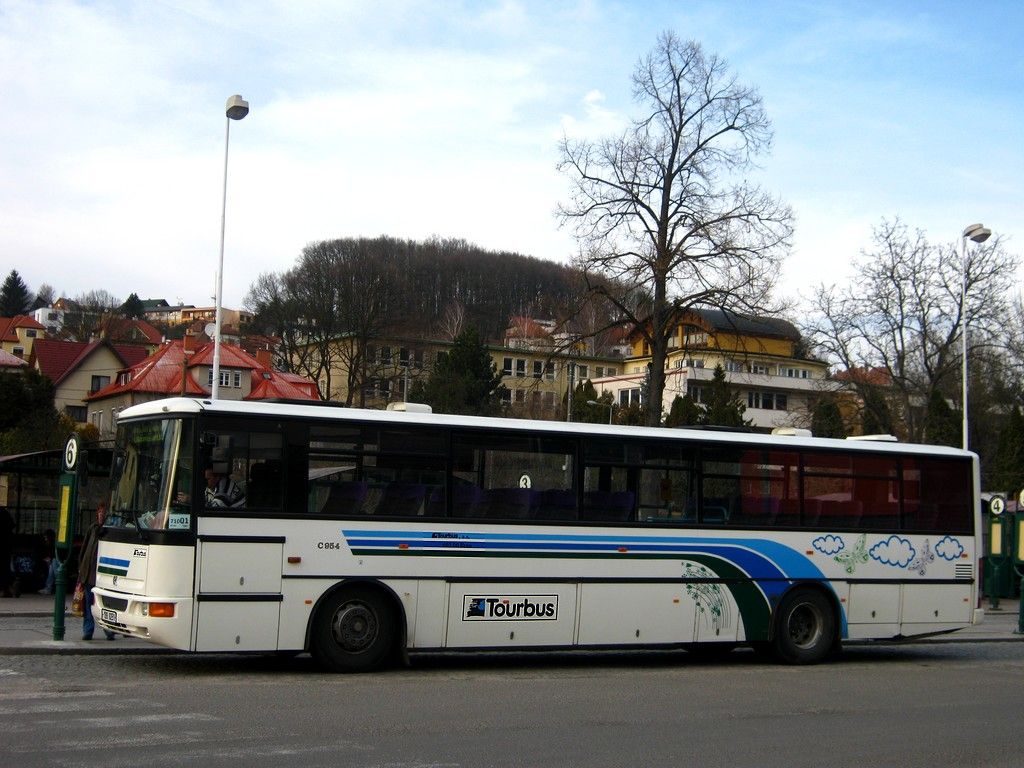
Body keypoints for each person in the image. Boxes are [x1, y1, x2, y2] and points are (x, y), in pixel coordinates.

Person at [78, 502, 114, 640]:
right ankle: (88, 630)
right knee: (88, 603)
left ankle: (109, 630)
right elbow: (85, 548)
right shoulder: (92, 528)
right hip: (89, 572)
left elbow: (102, 533)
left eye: (104, 512)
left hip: (101, 575)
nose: (101, 514)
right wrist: (81, 568)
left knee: (104, 604)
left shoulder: (108, 529)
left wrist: (101, 523)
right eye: (100, 511)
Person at [0, 505, 15, 598]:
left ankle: (4, 589)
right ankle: (6, 589)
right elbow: (12, 525)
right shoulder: (5, 513)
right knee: (5, 568)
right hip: (6, 547)